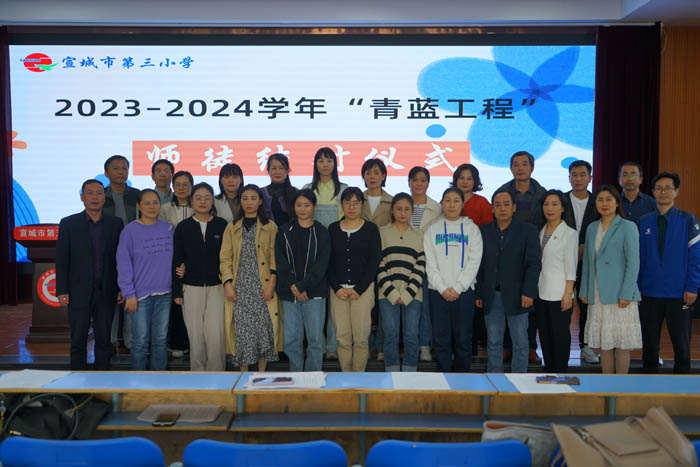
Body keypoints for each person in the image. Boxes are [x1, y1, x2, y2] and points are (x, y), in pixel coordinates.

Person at [56, 179, 124, 370]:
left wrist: (121, 287)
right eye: (90, 193)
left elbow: (120, 259)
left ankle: (101, 379)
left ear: (104, 197)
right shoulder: (69, 223)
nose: (95, 197)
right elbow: (62, 259)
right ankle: (78, 379)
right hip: (78, 291)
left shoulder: (115, 224)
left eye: (99, 193)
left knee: (104, 339)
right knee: (78, 339)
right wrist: (61, 289)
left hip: (107, 289)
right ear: (82, 197)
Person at [638, 172, 700, 374]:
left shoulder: (688, 220)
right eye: (659, 188)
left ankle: (681, 386)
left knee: (682, 346)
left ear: (676, 191)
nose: (663, 192)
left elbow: (695, 257)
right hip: (649, 293)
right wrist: (636, 287)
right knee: (649, 346)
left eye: (668, 188)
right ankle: (648, 385)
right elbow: (638, 258)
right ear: (653, 191)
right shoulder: (643, 221)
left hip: (679, 293)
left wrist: (692, 287)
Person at [579, 185, 642, 374]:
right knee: (604, 343)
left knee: (621, 343)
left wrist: (626, 293)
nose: (604, 203)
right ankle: (608, 384)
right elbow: (588, 263)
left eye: (608, 199)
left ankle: (620, 385)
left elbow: (634, 263)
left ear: (616, 202)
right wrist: (584, 290)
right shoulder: (592, 228)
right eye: (600, 200)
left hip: (620, 294)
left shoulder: (627, 226)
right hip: (598, 293)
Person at [477, 190, 541, 373]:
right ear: (492, 209)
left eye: (506, 204)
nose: (502, 209)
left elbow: (534, 264)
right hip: (492, 295)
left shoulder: (528, 231)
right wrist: (479, 293)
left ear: (514, 207)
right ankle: (495, 380)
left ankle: (518, 381)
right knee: (493, 341)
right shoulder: (483, 232)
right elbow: (479, 266)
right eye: (497, 205)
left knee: (520, 342)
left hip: (519, 295)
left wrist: (528, 292)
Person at [220, 184, 280, 371]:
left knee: (263, 331)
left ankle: (261, 375)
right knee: (243, 333)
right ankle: (243, 375)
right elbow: (225, 258)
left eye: (253, 198)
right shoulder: (232, 227)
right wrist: (228, 284)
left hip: (262, 286)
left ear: (260, 201)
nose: (249, 202)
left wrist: (271, 285)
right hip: (240, 287)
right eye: (245, 198)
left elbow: (275, 258)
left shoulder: (270, 226)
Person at [423, 187, 483, 372]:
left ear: (462, 204)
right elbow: (430, 264)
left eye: (456, 201)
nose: (451, 205)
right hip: (438, 293)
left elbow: (474, 262)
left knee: (463, 340)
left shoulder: (472, 229)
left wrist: (458, 288)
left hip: (464, 293)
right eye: (447, 200)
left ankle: (462, 381)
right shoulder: (432, 230)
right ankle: (444, 379)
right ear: (442, 203)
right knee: (441, 340)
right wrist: (442, 288)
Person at [172, 183, 228, 371]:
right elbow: (177, 259)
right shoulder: (183, 227)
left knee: (216, 333)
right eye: (198, 198)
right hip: (191, 287)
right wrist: (177, 290)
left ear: (213, 201)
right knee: (195, 335)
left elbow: (229, 257)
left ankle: (217, 375)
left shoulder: (222, 225)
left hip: (217, 287)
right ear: (191, 201)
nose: (203, 202)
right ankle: (198, 375)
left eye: (207, 198)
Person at [496, 151, 546, 364]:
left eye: (524, 164)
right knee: (506, 301)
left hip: (534, 251)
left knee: (529, 301)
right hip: (507, 253)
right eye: (515, 164)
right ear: (510, 168)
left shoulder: (542, 194)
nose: (520, 168)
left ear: (532, 167)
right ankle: (507, 346)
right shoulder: (502, 192)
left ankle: (530, 347)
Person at [116, 189, 174, 371]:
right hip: (140, 296)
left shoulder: (168, 229)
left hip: (165, 294)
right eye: (147, 203)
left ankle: (158, 380)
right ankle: (138, 381)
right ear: (138, 206)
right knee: (140, 341)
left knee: (160, 340)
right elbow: (123, 264)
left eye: (155, 202)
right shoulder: (129, 231)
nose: (152, 206)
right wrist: (129, 293)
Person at [275, 189, 331, 372]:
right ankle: (296, 377)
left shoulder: (322, 232)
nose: (302, 209)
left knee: (315, 339)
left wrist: (302, 286)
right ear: (293, 207)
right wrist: (294, 286)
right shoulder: (284, 231)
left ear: (314, 207)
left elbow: (321, 265)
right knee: (291, 339)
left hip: (315, 293)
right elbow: (281, 262)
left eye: (307, 205)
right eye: (299, 205)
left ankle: (313, 378)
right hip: (289, 293)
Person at [327, 187, 382, 372]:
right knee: (342, 338)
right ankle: (346, 377)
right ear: (341, 205)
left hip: (362, 292)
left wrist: (360, 288)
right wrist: (336, 287)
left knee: (360, 339)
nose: (351, 207)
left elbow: (374, 261)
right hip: (338, 292)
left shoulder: (371, 229)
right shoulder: (333, 229)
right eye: (347, 203)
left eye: (356, 203)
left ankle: (358, 378)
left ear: (362, 205)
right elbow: (328, 261)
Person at [302, 147, 347, 361]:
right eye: (320, 160)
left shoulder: (344, 189)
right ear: (315, 164)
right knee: (315, 302)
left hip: (337, 250)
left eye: (329, 160)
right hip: (312, 251)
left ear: (335, 163)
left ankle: (332, 345)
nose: (325, 164)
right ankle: (316, 345)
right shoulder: (307, 189)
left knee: (335, 301)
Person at [377, 193, 426, 372]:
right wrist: (392, 292)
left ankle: (409, 375)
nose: (403, 213)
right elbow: (379, 264)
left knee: (411, 335)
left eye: (407, 209)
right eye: (399, 208)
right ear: (392, 210)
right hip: (387, 293)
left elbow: (420, 265)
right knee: (390, 334)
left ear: (412, 211)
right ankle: (392, 374)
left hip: (413, 294)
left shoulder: (419, 235)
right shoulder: (382, 232)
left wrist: (407, 293)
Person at [535, 190, 578, 373]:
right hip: (540, 291)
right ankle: (549, 370)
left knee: (559, 335)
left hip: (560, 293)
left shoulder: (569, 234)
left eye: (554, 204)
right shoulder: (539, 230)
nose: (550, 208)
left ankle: (560, 372)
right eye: (546, 204)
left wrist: (568, 294)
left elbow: (571, 267)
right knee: (545, 335)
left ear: (562, 208)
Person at [103, 155, 139, 353]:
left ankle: (130, 341)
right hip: (108, 254)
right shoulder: (101, 195)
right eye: (116, 168)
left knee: (132, 297)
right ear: (107, 173)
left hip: (135, 254)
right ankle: (109, 341)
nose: (121, 172)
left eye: (124, 168)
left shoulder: (137, 195)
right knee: (111, 298)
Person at [565, 160, 599, 364]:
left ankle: (586, 346)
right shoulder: (560, 200)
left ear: (590, 178)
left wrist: (586, 245)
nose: (578, 179)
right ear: (569, 177)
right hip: (564, 261)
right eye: (574, 175)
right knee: (563, 304)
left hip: (590, 261)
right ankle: (562, 345)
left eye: (582, 175)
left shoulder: (598, 201)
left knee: (587, 304)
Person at [158, 170, 194, 359]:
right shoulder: (164, 208)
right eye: (177, 184)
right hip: (170, 260)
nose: (181, 188)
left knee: (192, 304)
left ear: (191, 186)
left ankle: (193, 343)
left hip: (195, 261)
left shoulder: (199, 206)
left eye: (185, 184)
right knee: (176, 303)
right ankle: (178, 343)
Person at [407, 166, 441, 362]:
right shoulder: (401, 204)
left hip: (427, 264)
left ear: (428, 183)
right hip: (404, 262)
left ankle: (425, 345)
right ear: (409, 182)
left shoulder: (437, 208)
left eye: (423, 180)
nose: (419, 184)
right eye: (415, 180)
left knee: (425, 308)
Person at [262, 153, 298, 226]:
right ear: (268, 170)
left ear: (287, 171)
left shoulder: (295, 193)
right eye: (274, 168)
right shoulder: (261, 193)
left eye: (281, 168)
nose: (277, 172)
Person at [360, 159, 392, 228]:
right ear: (363, 176)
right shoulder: (358, 199)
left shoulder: (391, 201)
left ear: (383, 176)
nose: (372, 177)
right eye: (368, 173)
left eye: (376, 173)